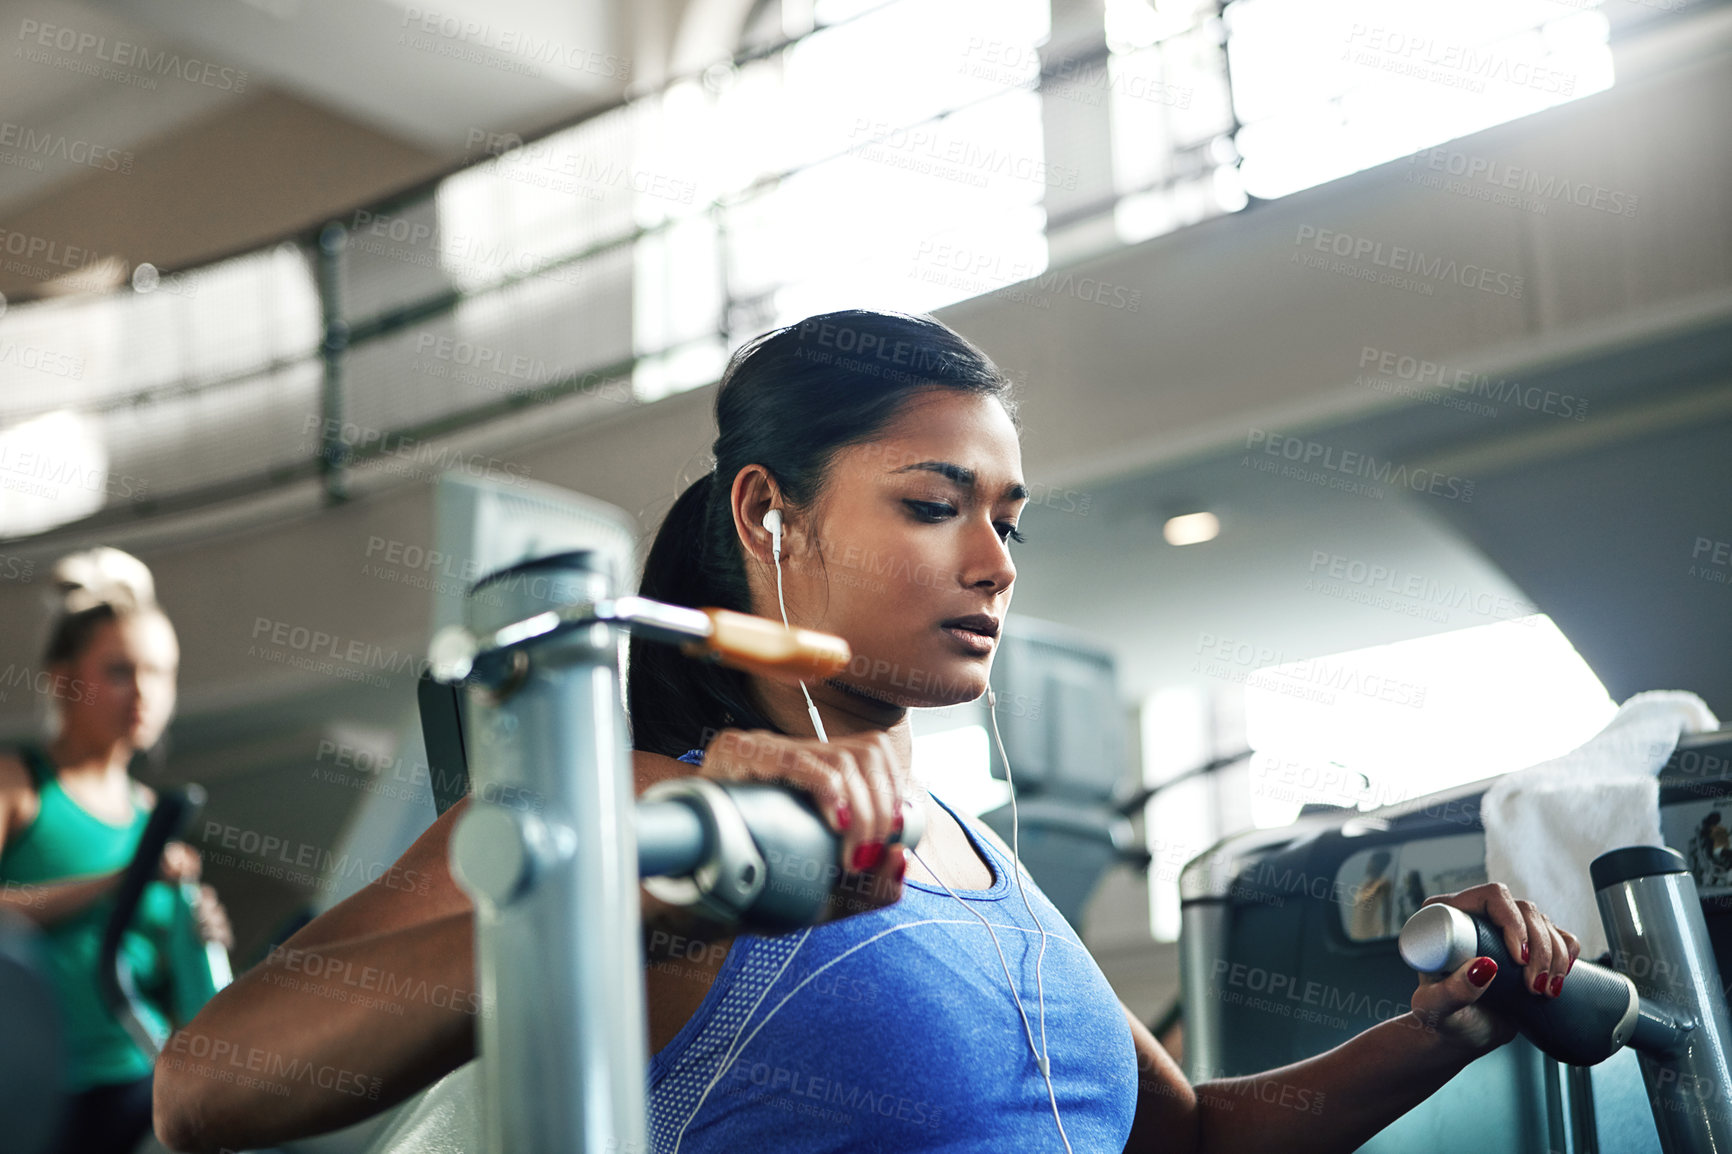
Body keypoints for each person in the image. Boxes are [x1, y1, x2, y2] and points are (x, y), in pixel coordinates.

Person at [153, 310, 1583, 1154]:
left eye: (1007, 518)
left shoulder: (967, 850)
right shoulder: (635, 806)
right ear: (769, 513)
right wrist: (649, 883)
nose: (996, 560)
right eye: (932, 502)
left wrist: (1437, 1037)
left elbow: (1180, 1140)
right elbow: (202, 1085)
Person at [0, 546, 233, 1154]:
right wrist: (118, 883)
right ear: (62, 677)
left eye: (160, 672)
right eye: (120, 671)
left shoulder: (155, 817)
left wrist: (193, 935)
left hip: (137, 1078)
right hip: (33, 1091)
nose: (144, 693)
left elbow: (156, 977)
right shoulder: (18, 785)